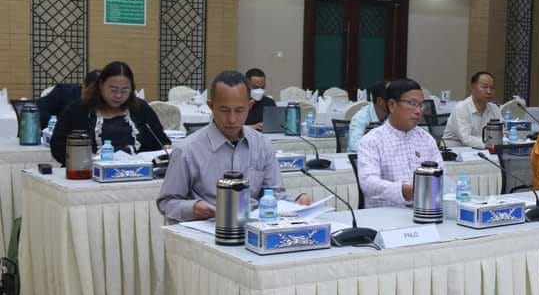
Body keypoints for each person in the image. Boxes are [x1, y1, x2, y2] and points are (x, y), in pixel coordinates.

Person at [157, 71, 311, 221]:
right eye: (224, 110)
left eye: (239, 110)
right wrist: (193, 208)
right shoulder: (187, 150)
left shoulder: (262, 144)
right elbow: (166, 203)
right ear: (211, 106)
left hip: (252, 226)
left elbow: (273, 194)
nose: (232, 119)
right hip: (207, 227)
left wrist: (296, 201)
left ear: (250, 106)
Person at [50, 61, 167, 165]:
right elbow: (58, 146)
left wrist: (167, 149)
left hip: (138, 171)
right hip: (87, 172)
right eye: (113, 90)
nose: (118, 95)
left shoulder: (140, 108)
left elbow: (161, 142)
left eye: (125, 90)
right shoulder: (79, 109)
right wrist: (86, 159)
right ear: (101, 85)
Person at [355, 78, 443, 208]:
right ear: (392, 105)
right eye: (412, 103)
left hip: (424, 212)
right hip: (385, 216)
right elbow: (369, 184)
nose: (418, 111)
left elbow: (441, 175)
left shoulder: (426, 138)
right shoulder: (372, 140)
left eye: (421, 105)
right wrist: (405, 191)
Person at [442, 71, 500, 148]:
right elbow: (466, 139)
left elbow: (502, 132)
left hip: (483, 149)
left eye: (492, 88)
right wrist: (491, 144)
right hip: (455, 150)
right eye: (484, 87)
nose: (489, 91)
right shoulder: (461, 108)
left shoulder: (494, 108)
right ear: (473, 87)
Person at [347, 81, 388, 152]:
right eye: (391, 99)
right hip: (360, 157)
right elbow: (354, 145)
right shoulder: (361, 117)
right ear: (379, 101)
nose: (396, 103)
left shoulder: (393, 116)